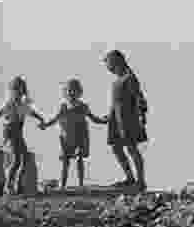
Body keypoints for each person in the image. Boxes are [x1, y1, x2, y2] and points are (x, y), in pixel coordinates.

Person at [41, 78, 107, 189]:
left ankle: (81, 184)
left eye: (74, 90)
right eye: (69, 90)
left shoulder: (83, 106)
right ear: (65, 92)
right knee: (65, 162)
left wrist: (105, 120)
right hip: (66, 137)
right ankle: (62, 185)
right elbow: (55, 119)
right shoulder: (63, 107)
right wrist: (45, 125)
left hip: (81, 137)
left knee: (79, 158)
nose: (71, 93)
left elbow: (93, 119)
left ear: (79, 92)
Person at [0, 76, 47, 194]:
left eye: (20, 89)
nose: (18, 92)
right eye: (15, 89)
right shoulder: (9, 103)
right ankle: (8, 185)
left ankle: (18, 185)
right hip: (10, 132)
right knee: (16, 160)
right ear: (11, 90)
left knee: (23, 159)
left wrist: (41, 119)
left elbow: (31, 112)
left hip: (18, 133)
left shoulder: (23, 103)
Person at [103, 49, 148, 191]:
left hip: (128, 119)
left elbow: (139, 97)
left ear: (117, 62)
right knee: (116, 148)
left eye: (109, 65)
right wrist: (109, 115)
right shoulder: (116, 81)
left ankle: (140, 182)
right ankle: (130, 178)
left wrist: (142, 115)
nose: (109, 69)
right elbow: (115, 102)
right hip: (116, 120)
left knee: (131, 148)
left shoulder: (130, 78)